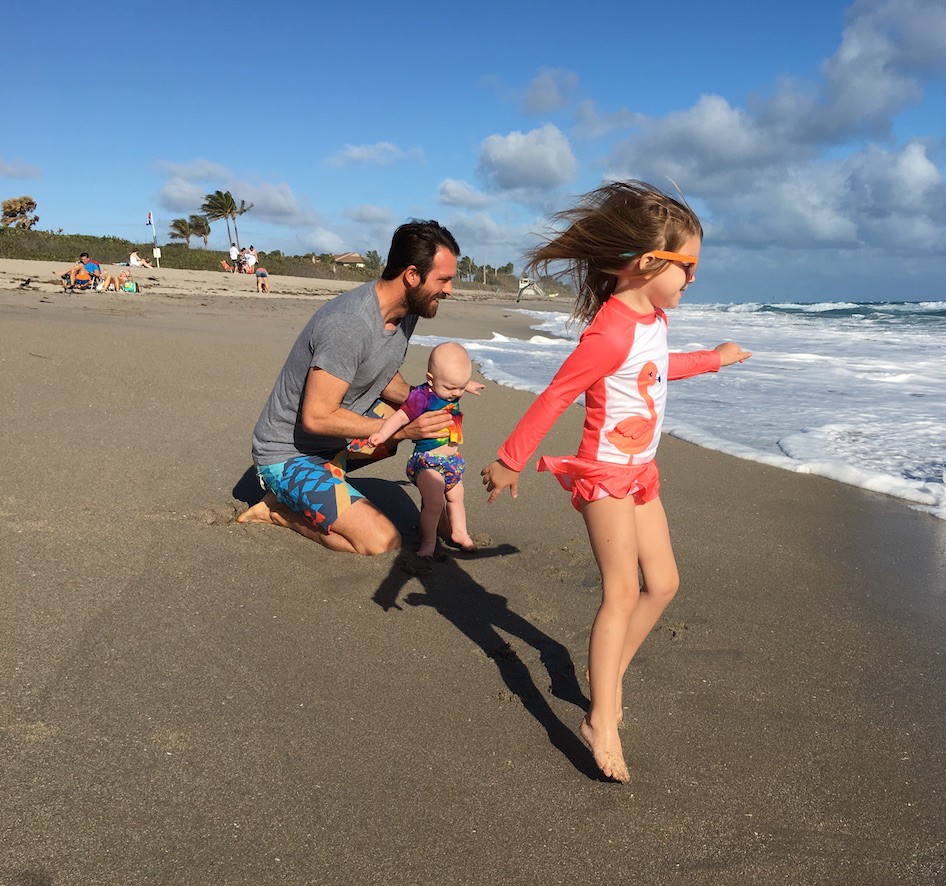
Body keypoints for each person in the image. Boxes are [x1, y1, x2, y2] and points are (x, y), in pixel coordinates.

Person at [480, 181, 751, 783]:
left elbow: (657, 368)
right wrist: (511, 459)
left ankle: (609, 676)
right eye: (688, 267)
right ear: (647, 263)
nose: (693, 279)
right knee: (622, 591)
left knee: (665, 583)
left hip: (641, 472)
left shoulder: (652, 318)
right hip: (604, 474)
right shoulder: (608, 332)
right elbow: (557, 395)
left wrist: (714, 358)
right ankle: (601, 718)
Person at [237, 219, 461, 554]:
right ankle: (277, 511)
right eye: (443, 280)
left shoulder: (406, 311)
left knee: (432, 415)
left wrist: (432, 402)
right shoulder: (349, 325)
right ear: (412, 276)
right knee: (380, 541)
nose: (449, 290)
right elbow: (317, 417)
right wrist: (400, 429)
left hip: (331, 443)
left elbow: (380, 373)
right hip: (288, 454)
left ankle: (439, 513)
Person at [355, 341, 484, 558]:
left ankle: (460, 532)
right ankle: (428, 542)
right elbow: (400, 418)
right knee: (434, 505)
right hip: (427, 462)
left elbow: (455, 384)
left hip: (452, 461)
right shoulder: (422, 397)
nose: (455, 394)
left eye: (460, 388)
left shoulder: (450, 389)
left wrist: (466, 385)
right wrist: (382, 434)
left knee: (457, 497)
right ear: (431, 380)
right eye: (451, 388)